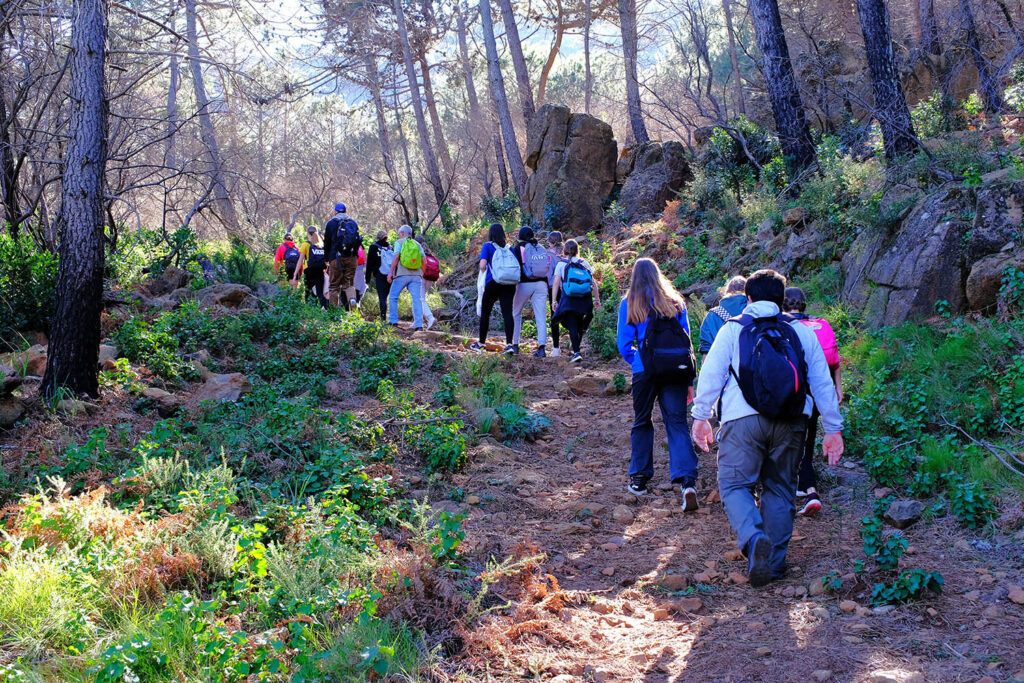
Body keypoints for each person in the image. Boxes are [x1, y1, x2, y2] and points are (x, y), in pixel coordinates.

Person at [691, 269, 844, 587]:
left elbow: (711, 374)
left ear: (747, 299)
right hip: (792, 420)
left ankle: (751, 535)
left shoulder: (734, 328)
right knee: (780, 490)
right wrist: (833, 429)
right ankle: (773, 564)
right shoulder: (801, 332)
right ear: (781, 299)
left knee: (734, 486)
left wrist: (701, 416)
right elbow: (822, 383)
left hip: (741, 420)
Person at [616, 258, 699, 511]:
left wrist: (638, 360)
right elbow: (687, 342)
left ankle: (639, 478)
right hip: (675, 370)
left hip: (645, 370)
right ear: (658, 274)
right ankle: (687, 481)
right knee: (676, 422)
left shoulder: (629, 303)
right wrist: (689, 380)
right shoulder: (675, 302)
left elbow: (623, 343)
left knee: (642, 421)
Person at [783, 286, 843, 517]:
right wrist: (838, 389)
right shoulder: (820, 324)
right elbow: (835, 361)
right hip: (819, 390)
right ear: (804, 304)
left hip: (795, 390)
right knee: (808, 440)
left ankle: (807, 490)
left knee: (789, 440)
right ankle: (804, 487)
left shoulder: (786, 327)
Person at [471, 223, 519, 354]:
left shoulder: (488, 246)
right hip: (509, 284)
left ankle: (481, 343)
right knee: (508, 313)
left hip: (493, 282)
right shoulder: (510, 248)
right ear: (503, 234)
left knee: (485, 312)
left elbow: (482, 265)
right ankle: (509, 344)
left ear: (491, 234)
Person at [551, 239, 600, 363]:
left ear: (565, 251)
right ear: (577, 250)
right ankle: (575, 348)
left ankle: (576, 352)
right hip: (585, 297)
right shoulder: (584, 263)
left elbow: (556, 283)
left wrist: (553, 301)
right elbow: (593, 283)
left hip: (569, 298)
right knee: (579, 323)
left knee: (572, 324)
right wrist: (597, 299)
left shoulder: (561, 264)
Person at [511, 226, 551, 357]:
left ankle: (515, 345)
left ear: (520, 236)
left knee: (516, 313)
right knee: (541, 316)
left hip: (524, 284)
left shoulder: (518, 248)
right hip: (541, 284)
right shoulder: (539, 247)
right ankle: (542, 348)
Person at [323, 202, 362, 309]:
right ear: (346, 211)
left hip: (336, 258)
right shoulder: (353, 223)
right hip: (352, 257)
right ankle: (353, 300)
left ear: (335, 212)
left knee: (334, 286)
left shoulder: (331, 223)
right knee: (349, 284)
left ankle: (334, 312)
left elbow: (327, 243)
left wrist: (326, 259)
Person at [387, 225, 425, 330]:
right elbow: (424, 260)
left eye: (399, 234)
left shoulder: (399, 242)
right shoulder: (417, 244)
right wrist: (422, 273)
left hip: (401, 274)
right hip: (416, 275)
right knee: (417, 299)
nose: (399, 236)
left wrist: (391, 272)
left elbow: (396, 257)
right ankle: (419, 325)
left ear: (403, 233)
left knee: (393, 296)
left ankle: (393, 321)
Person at [699, 275, 747, 355]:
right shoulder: (754, 311)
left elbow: (706, 348)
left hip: (723, 363)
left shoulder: (713, 315)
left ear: (726, 291)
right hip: (751, 363)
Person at [292, 226, 327, 309]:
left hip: (309, 270)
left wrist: (296, 273)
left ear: (308, 233)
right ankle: (323, 307)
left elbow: (300, 260)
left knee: (308, 290)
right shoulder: (321, 244)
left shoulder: (305, 244)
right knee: (319, 290)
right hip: (320, 270)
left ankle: (309, 308)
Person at [366, 230, 393, 320]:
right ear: (386, 237)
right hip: (390, 275)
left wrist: (367, 279)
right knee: (385, 296)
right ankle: (387, 316)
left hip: (380, 274)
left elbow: (369, 264)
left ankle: (383, 318)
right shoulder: (390, 248)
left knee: (381, 297)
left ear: (377, 237)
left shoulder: (373, 247)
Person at [545, 231, 564, 357]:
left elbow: (548, 274)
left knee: (554, 317)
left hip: (554, 288)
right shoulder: (566, 253)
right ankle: (575, 346)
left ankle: (556, 348)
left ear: (550, 241)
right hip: (568, 288)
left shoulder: (549, 255)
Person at [414, 234, 437, 330]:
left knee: (420, 299)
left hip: (422, 277)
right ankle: (417, 321)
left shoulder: (417, 250)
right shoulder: (429, 253)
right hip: (431, 278)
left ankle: (430, 318)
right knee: (419, 298)